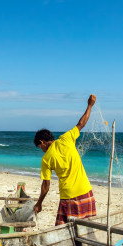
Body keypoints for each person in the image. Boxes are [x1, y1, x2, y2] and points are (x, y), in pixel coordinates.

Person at [33, 94, 97, 225]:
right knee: (87, 227)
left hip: (68, 197)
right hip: (86, 192)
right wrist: (90, 105)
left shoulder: (46, 159)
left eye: (40, 147)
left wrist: (39, 204)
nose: (41, 149)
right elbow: (81, 123)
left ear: (42, 142)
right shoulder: (66, 138)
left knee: (64, 229)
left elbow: (46, 185)